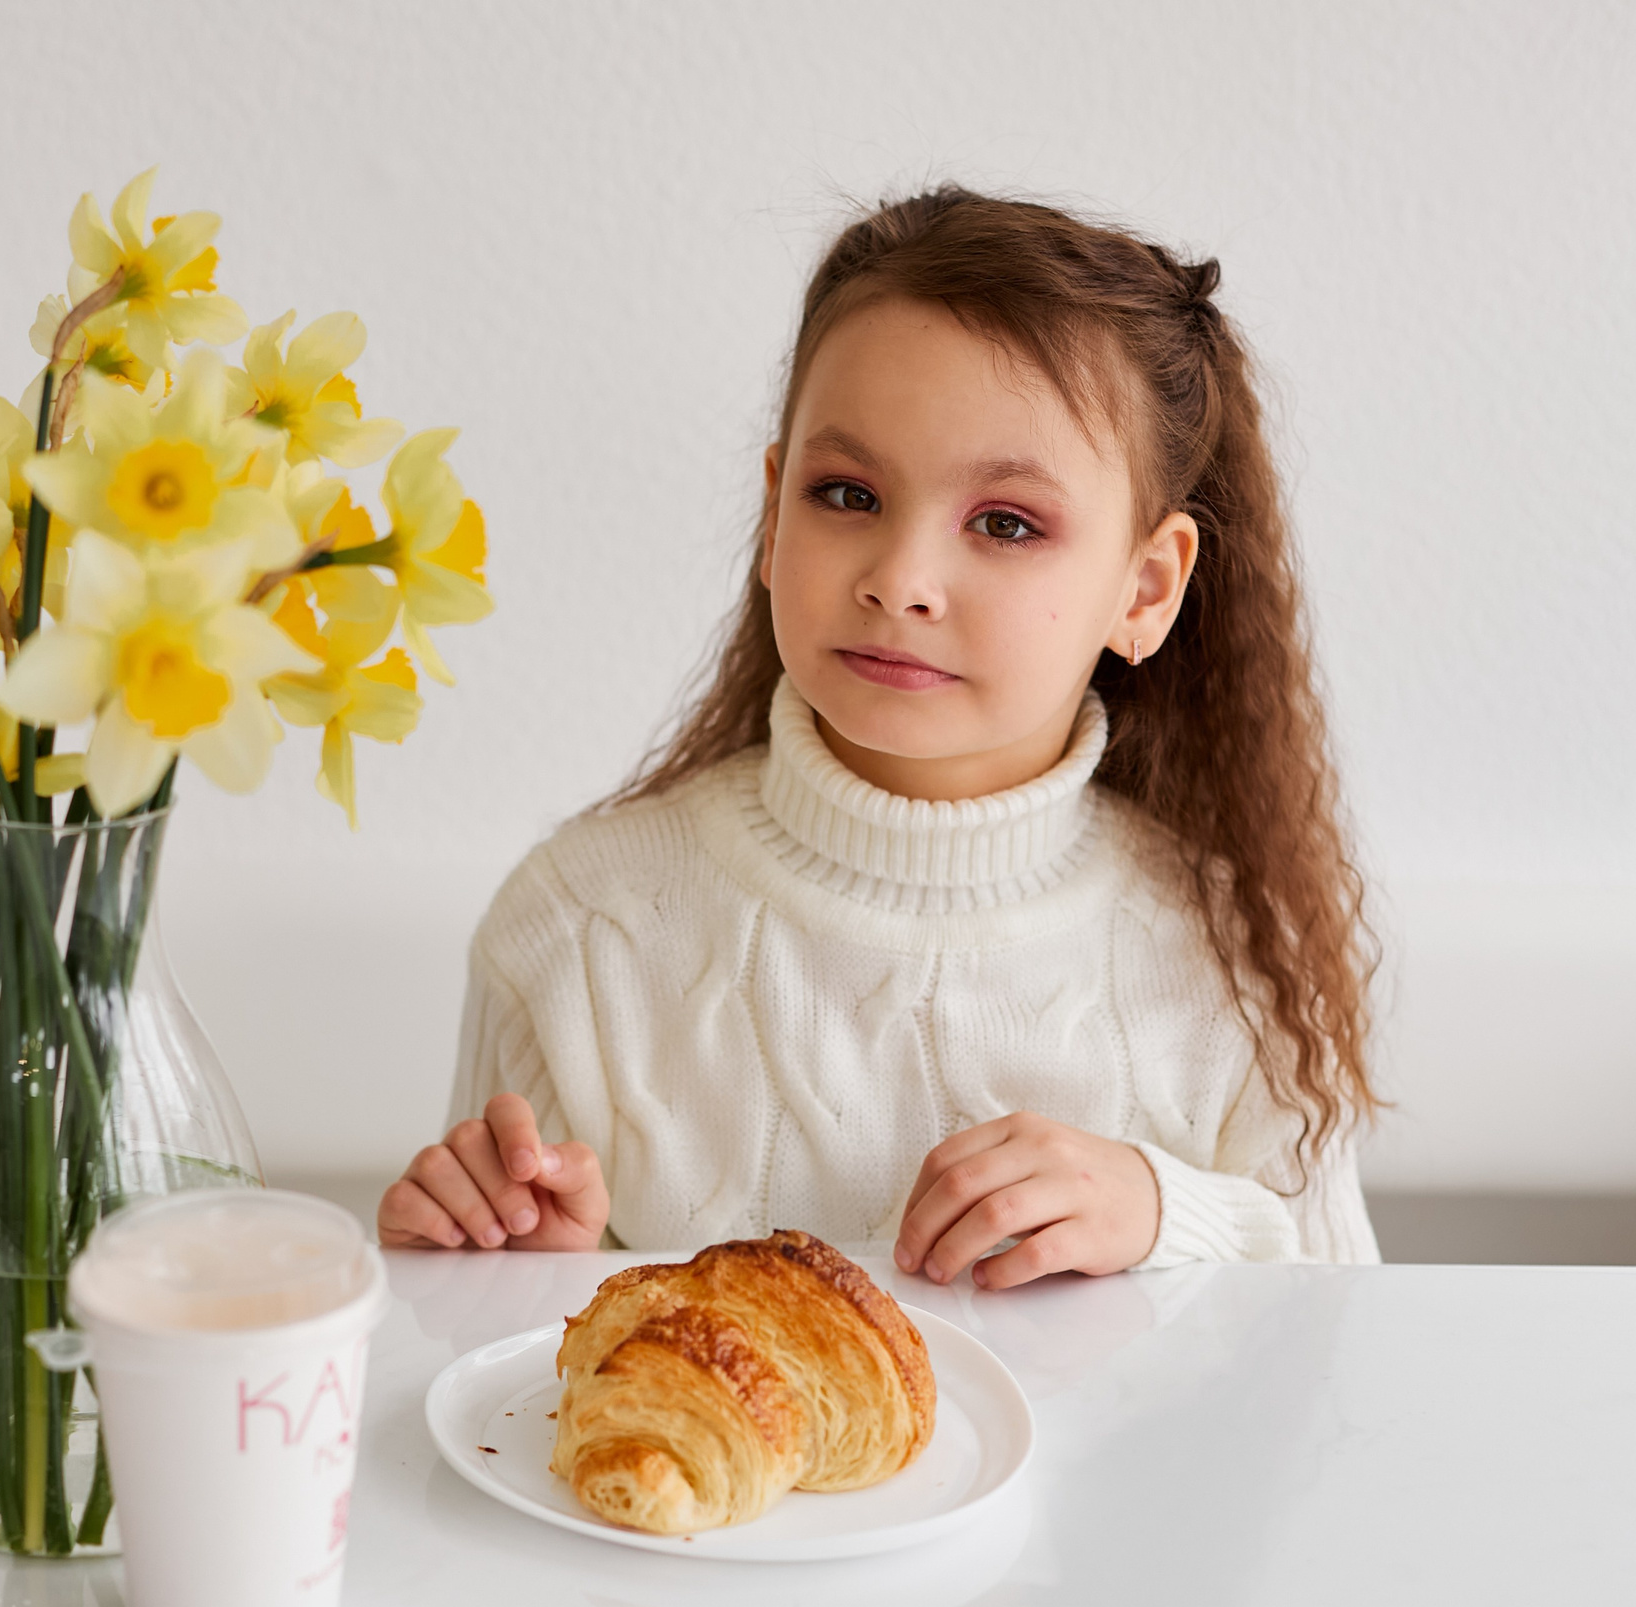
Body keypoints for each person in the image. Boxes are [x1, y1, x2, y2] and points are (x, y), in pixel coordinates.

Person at [377, 186, 1381, 1287]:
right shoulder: (575, 933)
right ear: (772, 517)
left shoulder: (1233, 949)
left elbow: (1333, 1364)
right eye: (846, 494)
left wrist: (1163, 1215)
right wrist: (513, 1274)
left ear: (1145, 588)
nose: (899, 580)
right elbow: (494, 1401)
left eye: (1005, 524)